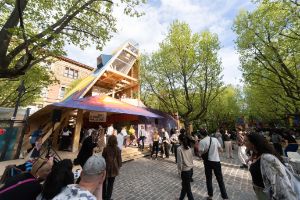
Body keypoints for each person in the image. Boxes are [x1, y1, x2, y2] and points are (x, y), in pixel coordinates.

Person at [244, 133, 298, 200]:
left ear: (254, 143)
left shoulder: (268, 158)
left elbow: (281, 183)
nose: (243, 143)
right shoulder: (256, 154)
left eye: (246, 141)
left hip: (267, 194)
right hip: (259, 192)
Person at [199, 129, 228, 200]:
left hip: (207, 162)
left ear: (201, 135)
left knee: (208, 179)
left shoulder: (202, 141)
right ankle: (225, 196)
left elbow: (200, 154)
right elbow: (221, 150)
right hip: (216, 161)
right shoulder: (214, 139)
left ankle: (210, 196)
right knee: (220, 180)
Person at [102, 135, 122, 200]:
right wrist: (119, 166)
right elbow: (119, 160)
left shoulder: (106, 149)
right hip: (114, 168)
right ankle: (108, 198)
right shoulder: (118, 149)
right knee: (110, 184)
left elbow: (103, 158)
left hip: (106, 167)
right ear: (116, 141)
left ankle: (103, 196)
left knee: (104, 183)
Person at [176, 132, 194, 200]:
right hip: (190, 169)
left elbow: (179, 162)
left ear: (180, 140)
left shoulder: (179, 149)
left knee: (188, 189)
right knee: (185, 186)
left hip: (185, 171)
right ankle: (181, 198)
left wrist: (179, 171)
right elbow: (191, 159)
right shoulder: (188, 148)